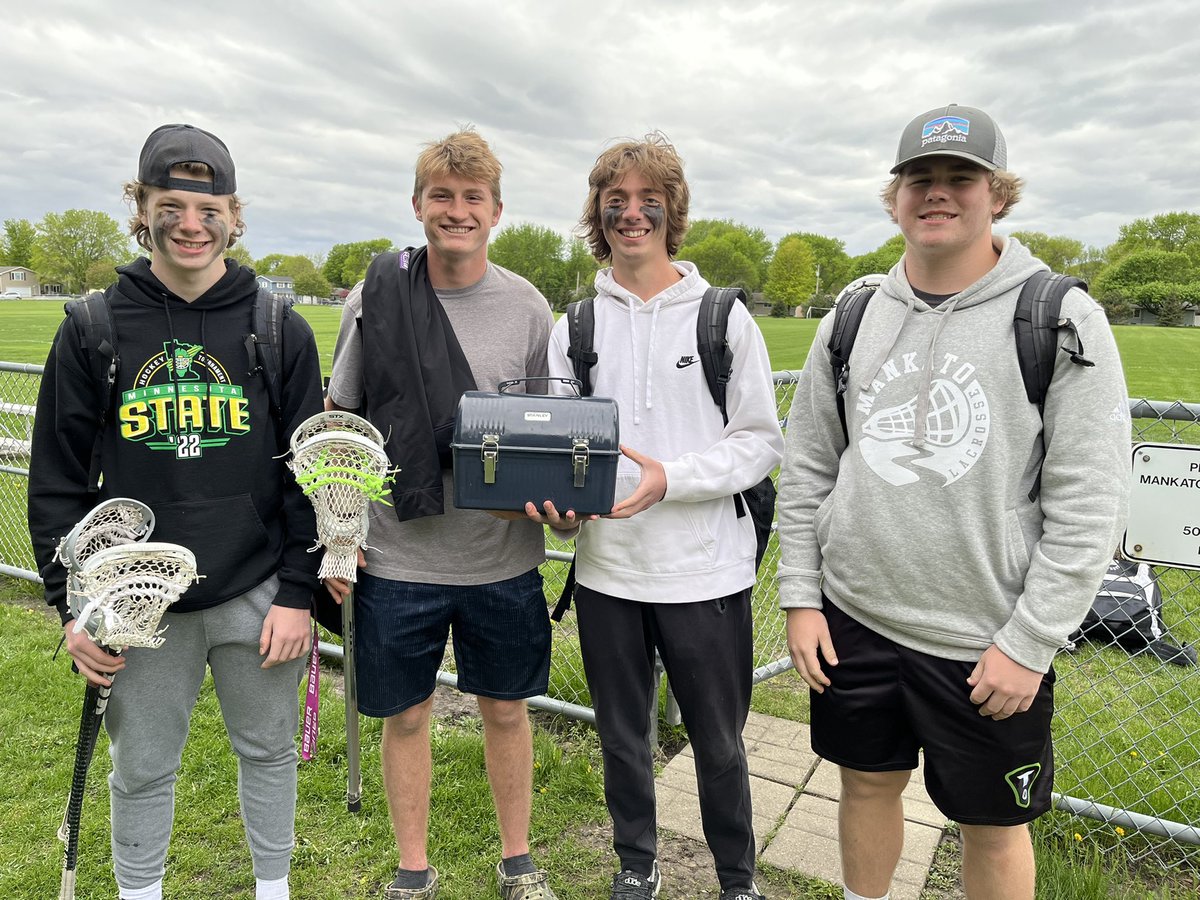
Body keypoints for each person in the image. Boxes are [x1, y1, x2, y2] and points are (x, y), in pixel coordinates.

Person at [776, 104, 1131, 900]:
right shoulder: (856, 313)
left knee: (992, 829)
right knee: (865, 787)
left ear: (997, 194)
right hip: (854, 619)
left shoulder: (1060, 317)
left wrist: (1031, 641)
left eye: (960, 178)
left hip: (986, 642)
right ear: (894, 197)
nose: (937, 194)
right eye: (919, 179)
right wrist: (802, 597)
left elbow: (1090, 503)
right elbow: (807, 468)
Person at [28, 123, 324, 900]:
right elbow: (58, 480)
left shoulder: (278, 328)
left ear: (234, 213)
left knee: (265, 753)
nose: (190, 223)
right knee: (144, 765)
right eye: (170, 205)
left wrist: (298, 593)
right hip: (133, 598)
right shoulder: (94, 327)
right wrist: (73, 608)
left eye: (207, 206)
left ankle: (273, 889)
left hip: (258, 591)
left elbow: (306, 476)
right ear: (142, 208)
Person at [528, 134, 783, 900]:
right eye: (616, 201)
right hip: (608, 575)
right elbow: (563, 449)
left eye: (649, 201)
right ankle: (637, 865)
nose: (631, 214)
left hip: (706, 571)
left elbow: (760, 443)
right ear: (597, 216)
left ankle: (738, 879)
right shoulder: (574, 325)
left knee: (719, 745)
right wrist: (564, 519)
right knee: (621, 739)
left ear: (672, 213)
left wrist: (671, 479)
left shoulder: (722, 319)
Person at [323, 128, 559, 900]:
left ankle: (518, 862)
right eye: (442, 196)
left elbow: (547, 432)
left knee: (506, 713)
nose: (456, 211)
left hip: (503, 557)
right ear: (418, 203)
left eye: (472, 199)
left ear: (496, 210)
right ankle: (413, 870)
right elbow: (340, 422)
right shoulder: (376, 296)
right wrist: (339, 532)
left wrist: (564, 509)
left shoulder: (527, 306)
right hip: (399, 556)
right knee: (408, 718)